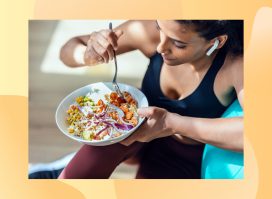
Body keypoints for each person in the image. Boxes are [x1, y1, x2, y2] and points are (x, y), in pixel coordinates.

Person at [58, 20, 243, 179]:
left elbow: (256, 134)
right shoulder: (150, 32)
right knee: (76, 173)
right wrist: (88, 54)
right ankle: (59, 169)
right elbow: (67, 50)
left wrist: (171, 124)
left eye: (179, 43)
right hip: (131, 133)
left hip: (182, 156)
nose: (161, 46)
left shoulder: (235, 65)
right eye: (159, 28)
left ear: (217, 41)